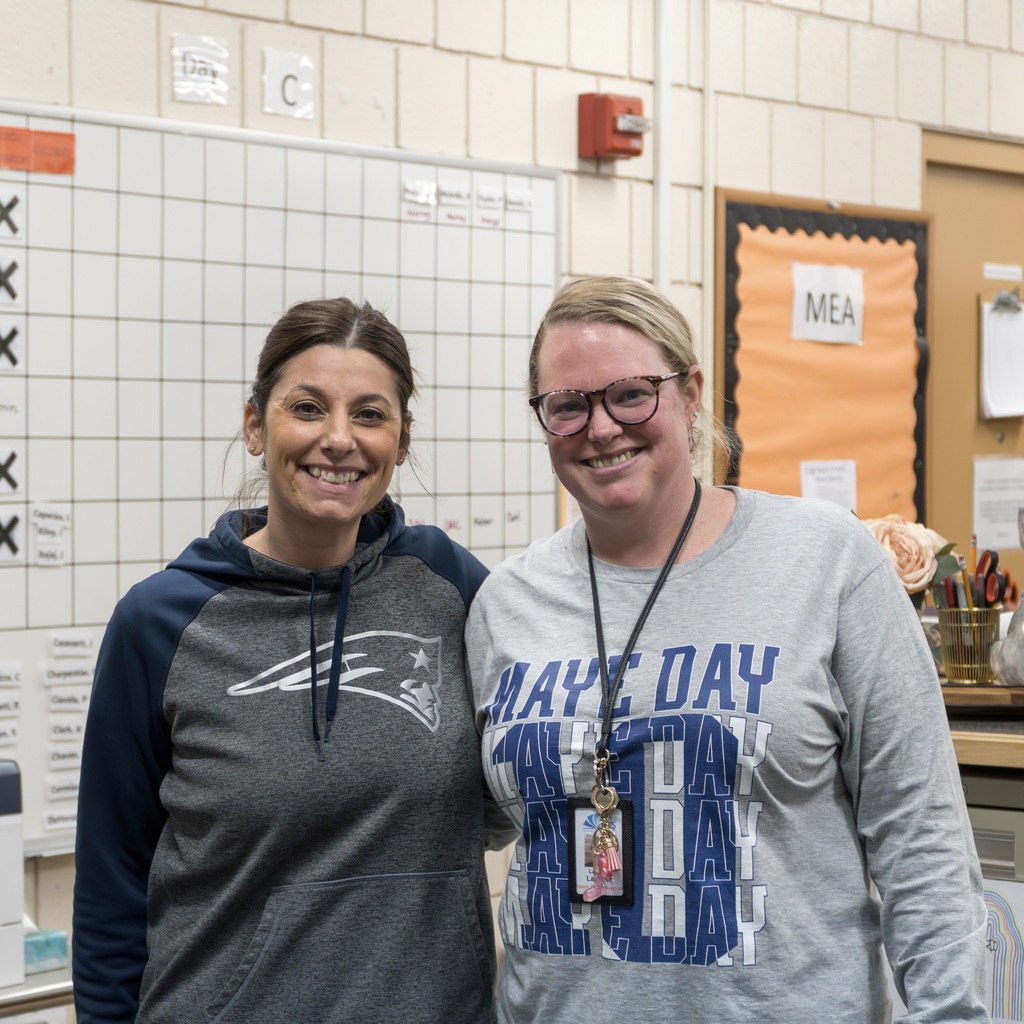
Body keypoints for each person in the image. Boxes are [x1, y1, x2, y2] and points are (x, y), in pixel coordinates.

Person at [466, 276, 991, 1023]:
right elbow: (465, 822)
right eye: (568, 406)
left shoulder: (826, 562)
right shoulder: (504, 604)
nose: (602, 427)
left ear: (691, 393)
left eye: (631, 394)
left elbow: (922, 838)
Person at [73, 297, 500, 1024]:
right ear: (253, 425)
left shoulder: (450, 587)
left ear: (400, 443)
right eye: (308, 408)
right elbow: (112, 884)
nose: (339, 439)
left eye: (370, 415)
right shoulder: (161, 622)